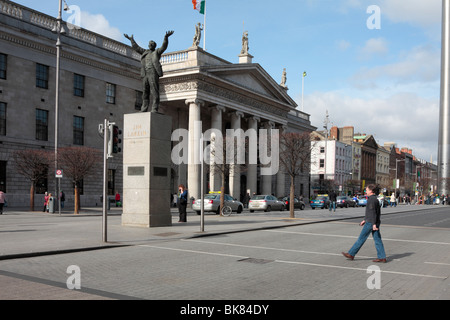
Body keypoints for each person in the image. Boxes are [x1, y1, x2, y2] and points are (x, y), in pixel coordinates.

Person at [125, 31, 174, 113]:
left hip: (153, 72)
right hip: (145, 73)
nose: (150, 45)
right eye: (149, 44)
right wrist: (131, 40)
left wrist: (166, 37)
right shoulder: (145, 52)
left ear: (154, 46)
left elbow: (164, 47)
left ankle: (154, 108)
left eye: (152, 44)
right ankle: (144, 108)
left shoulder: (157, 52)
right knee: (145, 92)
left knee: (154, 91)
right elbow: (136, 48)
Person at [342, 184, 387, 263]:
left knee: (361, 238)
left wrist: (373, 224)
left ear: (371, 191)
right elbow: (372, 212)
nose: (365, 191)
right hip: (373, 221)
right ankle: (382, 257)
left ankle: (351, 253)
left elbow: (373, 213)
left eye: (366, 190)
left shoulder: (371, 200)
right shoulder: (374, 199)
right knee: (377, 239)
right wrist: (365, 220)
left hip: (371, 223)